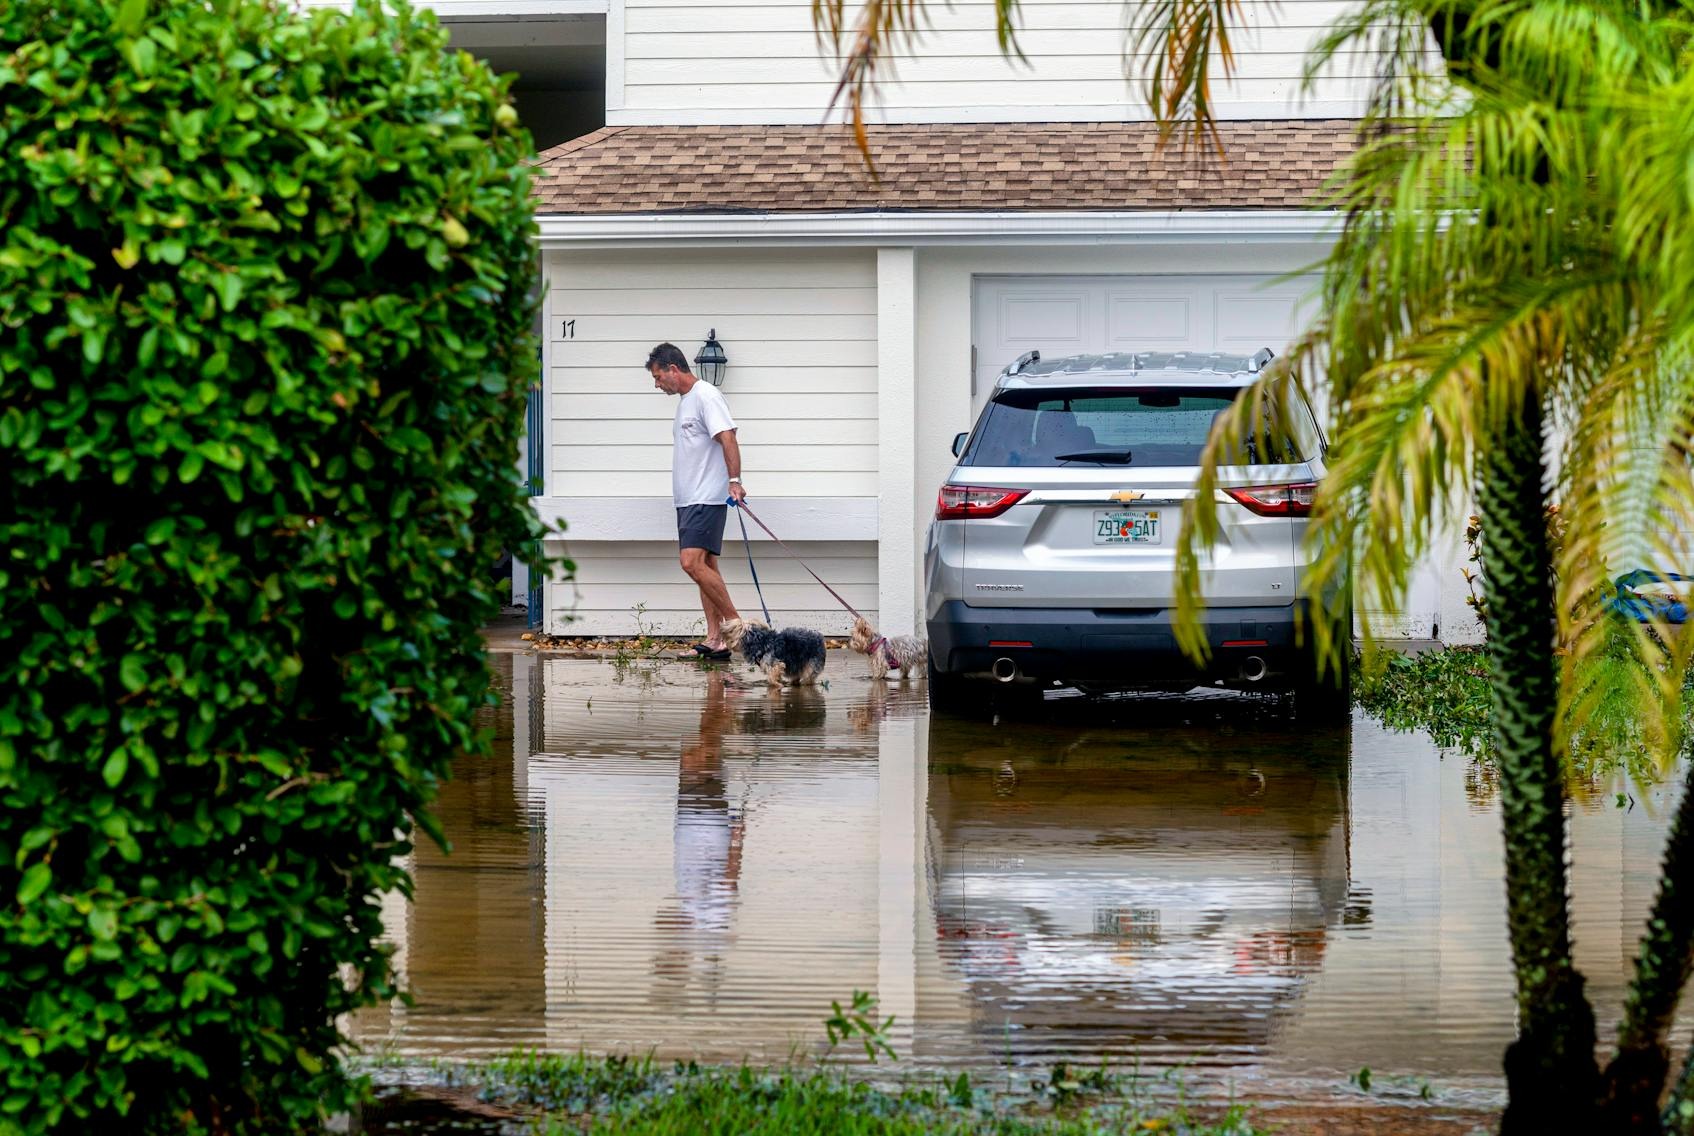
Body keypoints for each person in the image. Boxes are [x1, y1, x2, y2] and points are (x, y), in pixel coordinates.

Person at [648, 343, 746, 660]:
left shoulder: (706, 395)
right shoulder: (686, 402)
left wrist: (734, 481)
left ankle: (736, 626)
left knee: (690, 563)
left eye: (658, 377)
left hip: (706, 498)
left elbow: (728, 436)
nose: (657, 384)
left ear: (673, 369)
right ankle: (715, 639)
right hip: (689, 500)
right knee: (705, 566)